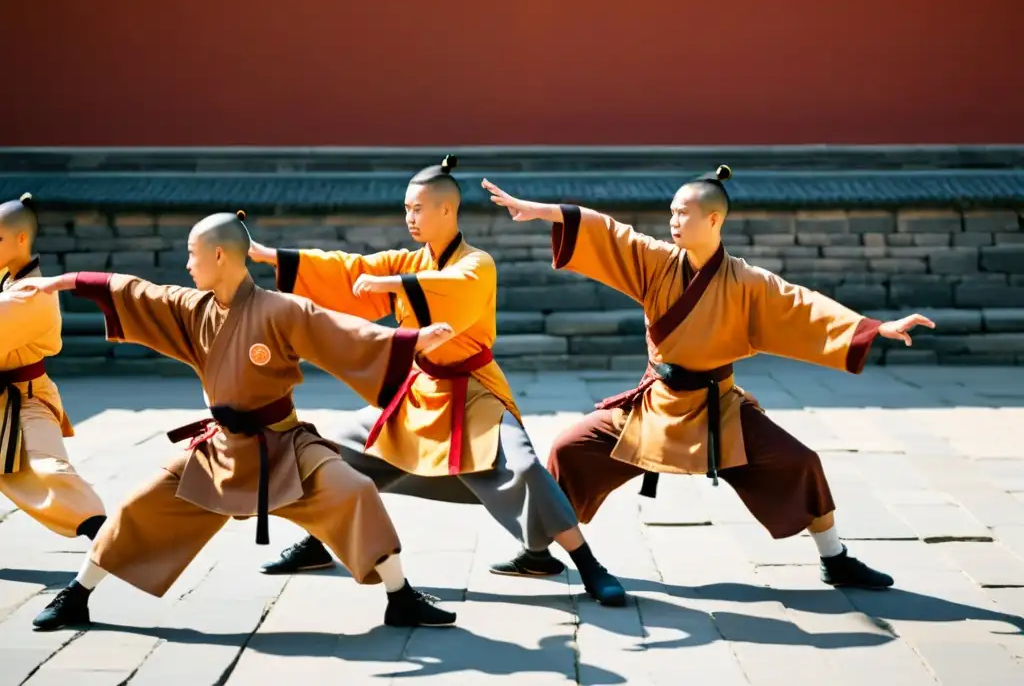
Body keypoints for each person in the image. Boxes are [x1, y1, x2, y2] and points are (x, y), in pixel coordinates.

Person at [481, 167, 936, 589]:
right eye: (672, 212)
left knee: (799, 461)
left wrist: (876, 328)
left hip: (720, 409)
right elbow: (608, 232)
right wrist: (542, 212)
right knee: (569, 448)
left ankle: (835, 558)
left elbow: (804, 307)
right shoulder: (657, 262)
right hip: (656, 404)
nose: (674, 221)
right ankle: (537, 551)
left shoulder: (748, 282)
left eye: (685, 213)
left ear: (714, 219)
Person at [16, 211, 459, 632]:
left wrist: (414, 338)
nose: (187, 264)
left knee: (356, 491)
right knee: (138, 505)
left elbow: (344, 332)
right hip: (219, 449)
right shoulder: (194, 310)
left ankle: (400, 597)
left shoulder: (281, 310)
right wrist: (68, 282)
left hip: (283, 446)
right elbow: (136, 291)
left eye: (192, 254)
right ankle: (76, 594)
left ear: (220, 256)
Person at [249, 156, 626, 606]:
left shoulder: (477, 264)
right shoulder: (406, 260)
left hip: (473, 392)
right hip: (417, 393)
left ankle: (587, 564)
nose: (409, 218)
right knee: (332, 452)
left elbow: (449, 288)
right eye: (406, 209)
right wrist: (264, 255)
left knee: (523, 467)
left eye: (418, 209)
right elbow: (348, 270)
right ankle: (316, 542)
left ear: (447, 211)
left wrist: (392, 284)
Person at [0, 193, 106, 543]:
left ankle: (108, 534)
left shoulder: (31, 291)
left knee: (49, 472)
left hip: (24, 400)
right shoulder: (7, 276)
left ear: (21, 239)